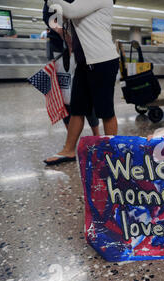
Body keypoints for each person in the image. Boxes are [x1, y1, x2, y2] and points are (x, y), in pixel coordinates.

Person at [44, 0, 119, 165]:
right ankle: (69, 150)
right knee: (77, 108)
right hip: (83, 61)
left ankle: (112, 155)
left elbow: (70, 11)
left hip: (102, 61)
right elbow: (62, 17)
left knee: (105, 110)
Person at [42, 0, 100, 151]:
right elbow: (48, 17)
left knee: (86, 94)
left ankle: (96, 136)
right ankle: (72, 140)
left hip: (83, 47)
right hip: (59, 49)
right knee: (63, 96)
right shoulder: (51, 3)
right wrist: (63, 34)